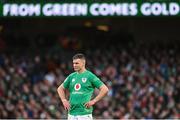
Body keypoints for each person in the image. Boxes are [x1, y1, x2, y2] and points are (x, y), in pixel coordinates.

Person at [57, 53, 109, 120]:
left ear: (83, 63)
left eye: (77, 63)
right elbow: (60, 88)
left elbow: (105, 89)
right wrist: (64, 100)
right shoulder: (71, 76)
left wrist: (94, 101)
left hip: (84, 114)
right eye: (73, 63)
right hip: (71, 113)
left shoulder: (90, 76)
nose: (74, 65)